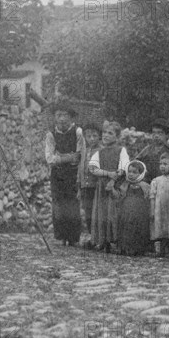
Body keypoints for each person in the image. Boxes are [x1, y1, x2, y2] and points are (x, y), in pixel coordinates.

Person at [44, 100, 85, 246]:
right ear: (55, 117)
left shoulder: (78, 132)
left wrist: (62, 158)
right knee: (59, 204)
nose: (62, 118)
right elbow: (49, 158)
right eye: (58, 115)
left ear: (71, 117)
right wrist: (68, 157)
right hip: (58, 174)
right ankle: (61, 236)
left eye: (65, 115)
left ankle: (73, 238)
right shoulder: (51, 134)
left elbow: (80, 155)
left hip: (73, 174)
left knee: (72, 204)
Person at [88, 121, 129, 252]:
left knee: (113, 213)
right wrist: (107, 173)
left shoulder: (121, 150)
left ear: (117, 137)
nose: (105, 135)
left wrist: (113, 180)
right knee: (101, 213)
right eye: (104, 132)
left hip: (115, 186)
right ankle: (102, 240)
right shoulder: (99, 152)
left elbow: (123, 167)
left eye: (110, 133)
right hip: (101, 187)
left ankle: (114, 240)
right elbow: (93, 168)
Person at [112, 160, 151, 256]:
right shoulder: (125, 185)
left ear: (141, 174)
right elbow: (119, 197)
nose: (131, 174)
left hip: (140, 213)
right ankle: (124, 248)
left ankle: (138, 249)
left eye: (134, 172)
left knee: (138, 229)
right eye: (129, 171)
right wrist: (112, 189)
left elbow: (149, 198)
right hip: (126, 211)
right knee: (126, 228)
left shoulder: (145, 186)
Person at [150, 153, 169, 256]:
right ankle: (161, 249)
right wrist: (152, 210)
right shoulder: (156, 180)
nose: (162, 166)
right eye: (160, 164)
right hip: (159, 210)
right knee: (161, 228)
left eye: (165, 164)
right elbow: (152, 197)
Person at [79, 123, 102, 243]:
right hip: (86, 187)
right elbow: (81, 169)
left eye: (94, 136)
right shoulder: (85, 151)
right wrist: (80, 186)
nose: (91, 139)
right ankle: (91, 237)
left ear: (99, 137)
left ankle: (98, 237)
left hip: (96, 187)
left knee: (96, 212)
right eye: (88, 136)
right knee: (87, 211)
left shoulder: (101, 151)